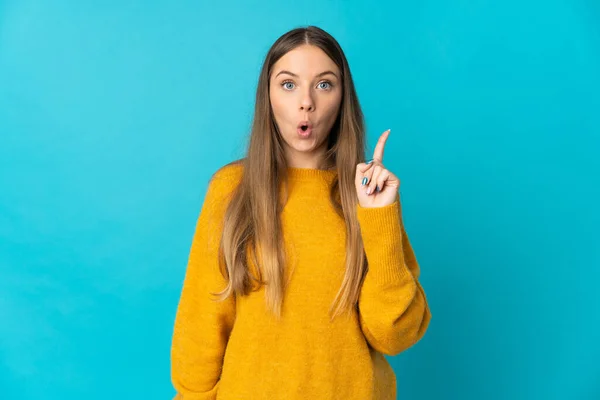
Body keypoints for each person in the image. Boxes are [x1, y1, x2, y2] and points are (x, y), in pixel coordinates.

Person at [170, 25, 432, 400]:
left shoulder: (368, 195)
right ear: (268, 96)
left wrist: (380, 218)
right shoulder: (231, 189)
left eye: (324, 84)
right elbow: (201, 327)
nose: (305, 102)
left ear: (343, 98)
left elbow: (394, 334)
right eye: (288, 84)